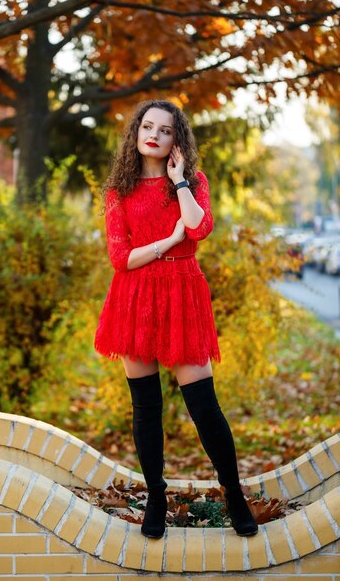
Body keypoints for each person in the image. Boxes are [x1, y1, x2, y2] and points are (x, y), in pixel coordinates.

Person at [94, 100, 258, 539]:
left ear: (176, 141)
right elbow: (119, 259)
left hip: (183, 294)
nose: (153, 134)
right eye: (146, 126)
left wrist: (180, 181)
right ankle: (156, 496)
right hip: (135, 299)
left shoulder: (192, 182)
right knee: (146, 408)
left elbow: (199, 228)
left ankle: (234, 494)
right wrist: (167, 242)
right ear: (135, 134)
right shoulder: (118, 191)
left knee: (204, 406)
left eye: (165, 130)